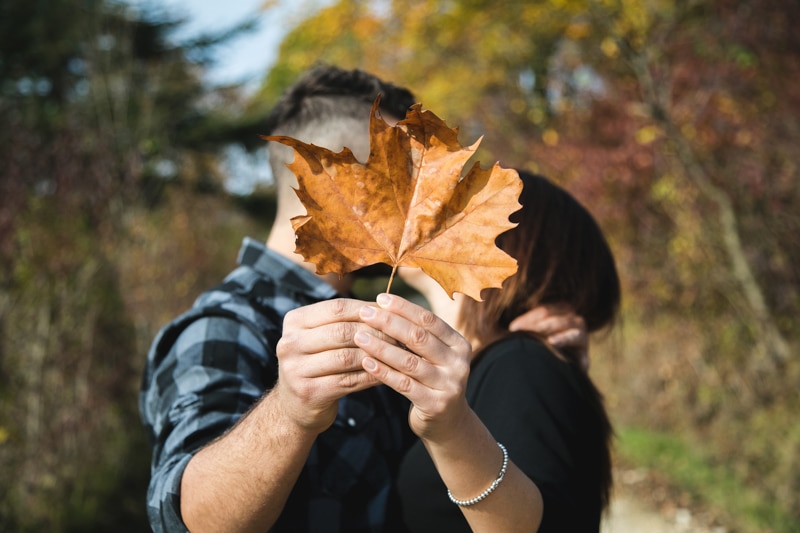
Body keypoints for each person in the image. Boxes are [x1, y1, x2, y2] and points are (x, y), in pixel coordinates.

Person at [139, 65, 588, 533]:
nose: (426, 206)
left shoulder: (380, 311)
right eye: (404, 180)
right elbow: (181, 521)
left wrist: (524, 350)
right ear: (340, 184)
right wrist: (290, 413)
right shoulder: (226, 325)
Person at [353, 171, 620, 532]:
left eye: (464, 218)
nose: (435, 224)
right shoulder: (488, 372)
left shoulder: (521, 363)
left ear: (508, 249)